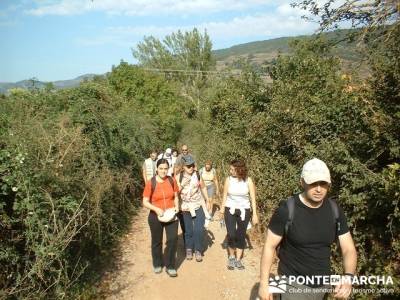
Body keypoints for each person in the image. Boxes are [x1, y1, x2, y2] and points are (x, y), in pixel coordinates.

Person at [258, 158, 357, 300]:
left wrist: (348, 278)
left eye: (323, 184)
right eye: (313, 183)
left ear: (329, 184)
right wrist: (263, 283)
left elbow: (348, 248)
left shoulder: (335, 210)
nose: (318, 189)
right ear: (302, 182)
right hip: (292, 284)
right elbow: (269, 246)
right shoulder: (287, 209)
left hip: (323, 286)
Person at [142, 159, 180, 277]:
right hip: (155, 216)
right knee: (157, 241)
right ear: (156, 169)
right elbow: (145, 202)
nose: (163, 171)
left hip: (171, 214)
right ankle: (157, 263)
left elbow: (176, 195)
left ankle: (170, 266)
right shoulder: (150, 182)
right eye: (161, 168)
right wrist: (156, 209)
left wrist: (177, 206)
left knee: (173, 239)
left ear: (168, 169)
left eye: (165, 168)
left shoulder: (171, 180)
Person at [220, 159, 259, 270]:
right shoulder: (228, 180)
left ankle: (238, 260)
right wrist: (222, 209)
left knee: (241, 235)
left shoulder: (248, 180)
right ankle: (231, 257)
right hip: (230, 209)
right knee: (231, 234)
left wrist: (254, 214)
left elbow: (253, 198)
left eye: (232, 169)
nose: (230, 171)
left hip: (244, 210)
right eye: (230, 169)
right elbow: (224, 195)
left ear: (239, 170)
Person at [176, 155, 211, 262]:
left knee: (199, 229)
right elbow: (175, 192)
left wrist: (208, 200)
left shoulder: (197, 174)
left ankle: (198, 250)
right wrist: (183, 184)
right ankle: (189, 249)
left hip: (197, 204)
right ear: (183, 167)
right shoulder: (179, 177)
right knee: (188, 230)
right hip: (186, 207)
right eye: (188, 166)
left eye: (192, 165)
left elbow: (203, 187)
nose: (191, 168)